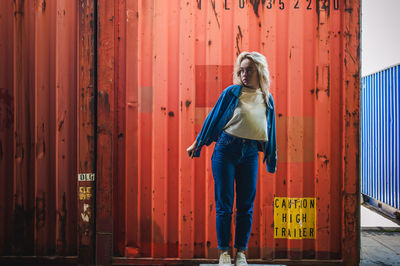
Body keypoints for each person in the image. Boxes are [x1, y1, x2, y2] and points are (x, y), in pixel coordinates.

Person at [186, 51, 277, 266]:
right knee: (224, 204)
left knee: (246, 205)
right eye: (242, 70)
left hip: (251, 154)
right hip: (226, 150)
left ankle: (241, 253)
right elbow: (213, 118)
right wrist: (198, 143)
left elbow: (270, 129)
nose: (244, 74)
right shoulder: (232, 93)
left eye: (250, 70)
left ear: (260, 72)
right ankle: (225, 253)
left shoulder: (267, 98)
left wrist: (272, 152)